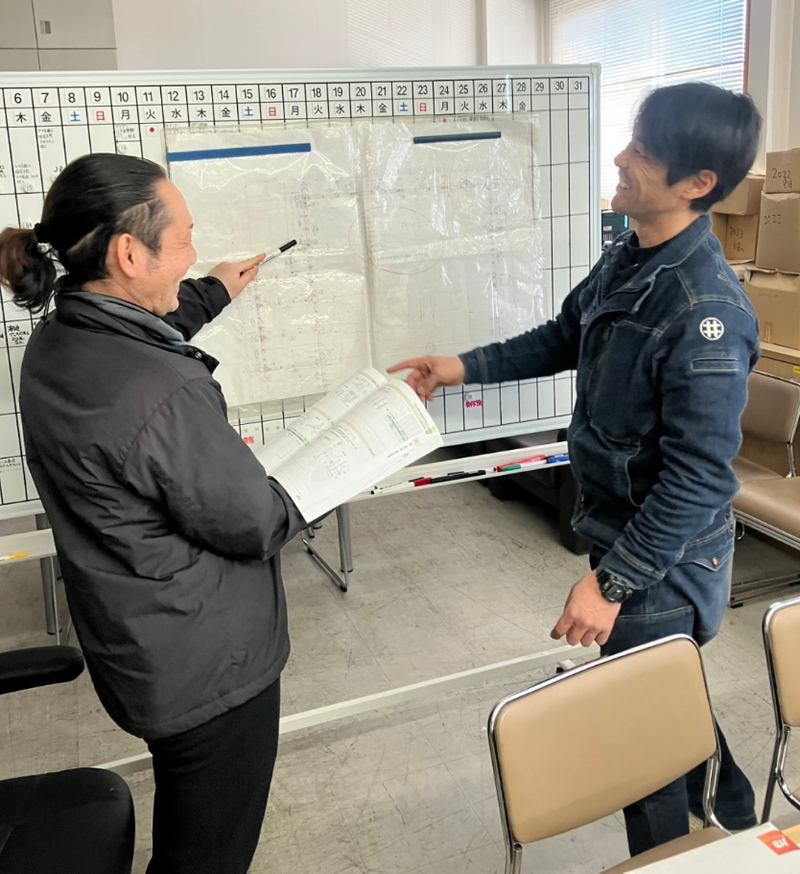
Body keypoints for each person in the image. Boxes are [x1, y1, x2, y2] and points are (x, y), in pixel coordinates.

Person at [389, 83, 761, 856]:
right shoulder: (630, 254)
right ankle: (738, 829)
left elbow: (698, 479)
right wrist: (459, 366)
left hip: (663, 559)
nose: (620, 158)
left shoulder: (704, 310)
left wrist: (612, 584)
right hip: (625, 533)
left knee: (644, 746)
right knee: (663, 702)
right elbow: (563, 335)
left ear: (697, 183)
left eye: (643, 153)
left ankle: (678, 855)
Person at [0, 153, 308, 874]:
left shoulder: (60, 339)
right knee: (206, 856)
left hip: (143, 648)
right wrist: (334, 468)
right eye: (185, 239)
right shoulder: (161, 391)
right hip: (210, 671)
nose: (194, 253)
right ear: (130, 254)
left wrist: (213, 291)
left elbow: (135, 332)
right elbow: (253, 519)